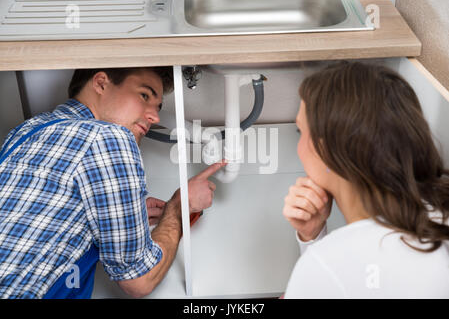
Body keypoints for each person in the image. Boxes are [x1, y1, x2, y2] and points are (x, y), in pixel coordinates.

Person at [0, 66, 226, 298]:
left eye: (157, 106)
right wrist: (180, 208)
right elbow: (139, 281)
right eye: (144, 95)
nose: (155, 116)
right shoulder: (109, 136)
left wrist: (113, 215)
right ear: (100, 83)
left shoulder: (26, 130)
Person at [282, 61, 449, 298]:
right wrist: (313, 237)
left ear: (326, 151)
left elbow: (338, 278)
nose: (298, 147)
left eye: (301, 131)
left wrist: (314, 250)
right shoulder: (438, 216)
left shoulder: (324, 265)